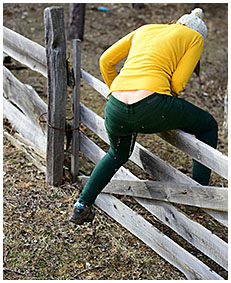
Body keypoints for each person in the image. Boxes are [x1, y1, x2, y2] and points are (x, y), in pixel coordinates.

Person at [70, 8, 218, 225]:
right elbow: (177, 84)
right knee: (208, 125)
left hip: (115, 106)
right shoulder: (195, 38)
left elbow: (106, 60)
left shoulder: (146, 29)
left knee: (116, 154)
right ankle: (200, 193)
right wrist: (162, 110)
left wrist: (118, 92)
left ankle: (82, 205)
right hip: (152, 106)